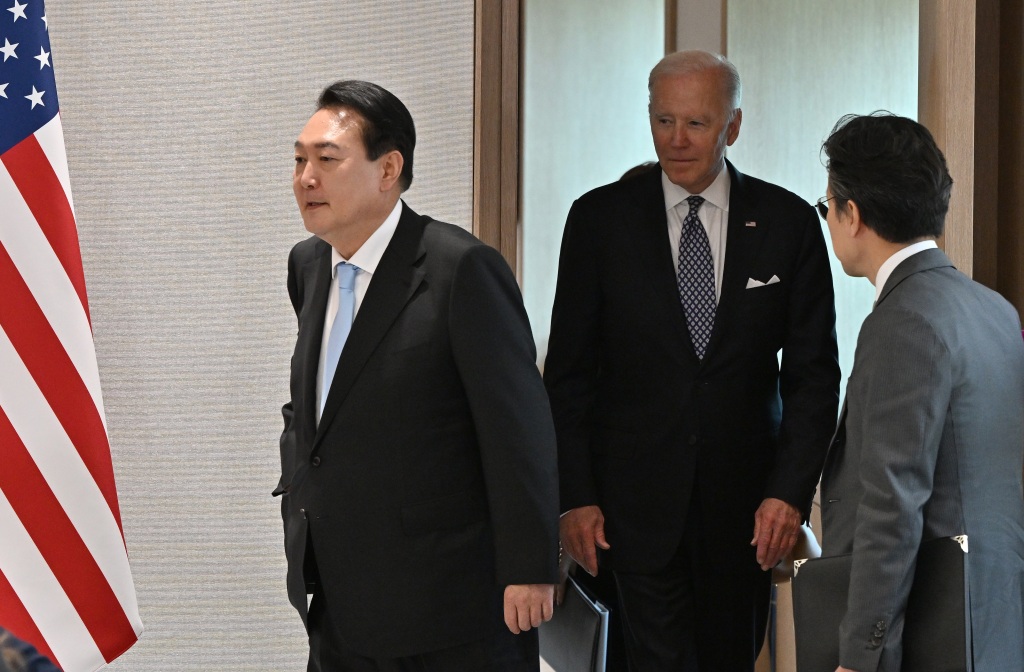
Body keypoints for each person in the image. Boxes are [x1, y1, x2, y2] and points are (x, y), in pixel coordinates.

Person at [543, 50, 840, 671]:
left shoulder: (787, 223)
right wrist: (574, 496)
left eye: (697, 125)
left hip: (747, 514)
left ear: (732, 127)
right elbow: (567, 375)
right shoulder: (598, 221)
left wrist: (788, 495)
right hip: (629, 513)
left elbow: (813, 377)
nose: (677, 141)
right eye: (663, 121)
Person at [275, 80, 560, 671]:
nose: (306, 178)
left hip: (449, 603)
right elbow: (318, 405)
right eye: (300, 160)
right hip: (337, 593)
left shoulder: (460, 269)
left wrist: (530, 568)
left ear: (389, 169)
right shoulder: (310, 265)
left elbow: (519, 431)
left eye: (327, 160)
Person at [818, 112, 1024, 672]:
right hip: (994, 622)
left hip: (929, 634)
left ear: (852, 214)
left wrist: (861, 654)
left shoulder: (903, 322)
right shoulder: (994, 310)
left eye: (826, 207)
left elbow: (892, 505)